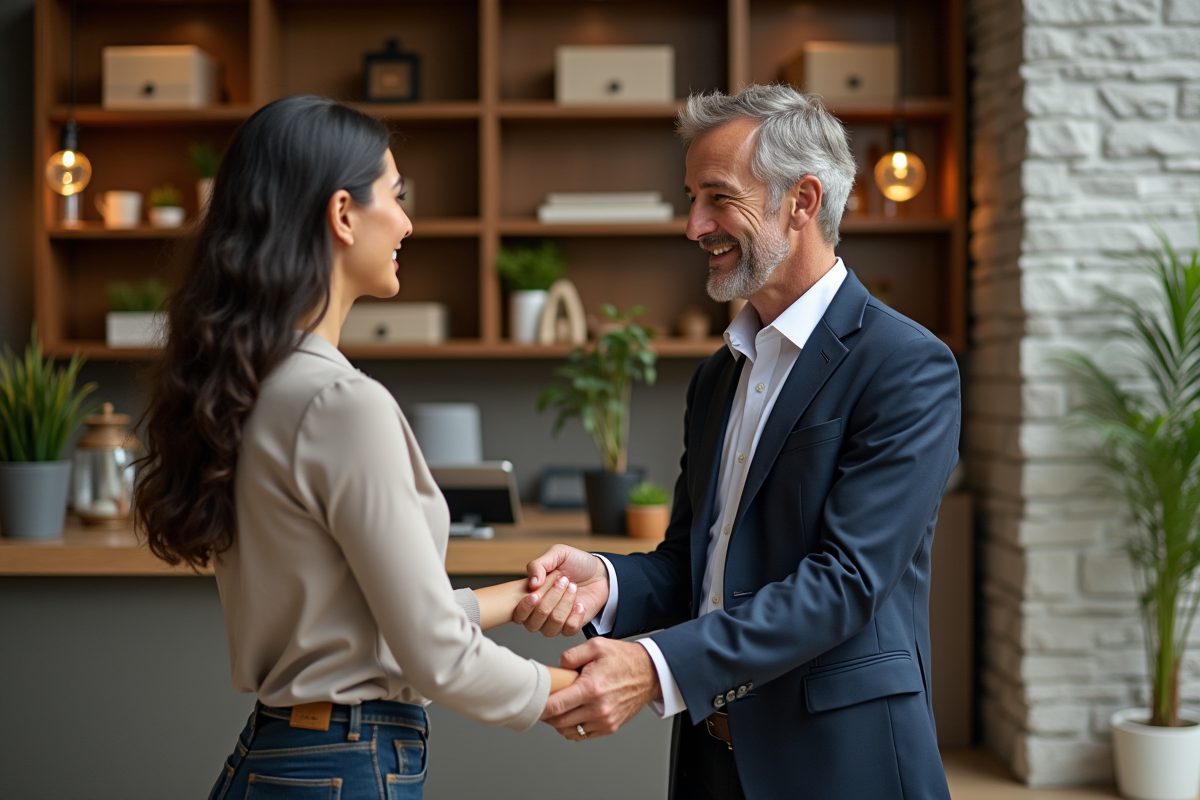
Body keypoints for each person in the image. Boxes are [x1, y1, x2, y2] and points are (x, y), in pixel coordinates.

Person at [513, 84, 960, 800]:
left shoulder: (906, 365)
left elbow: (845, 582)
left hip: (842, 765)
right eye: (691, 198)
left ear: (802, 201)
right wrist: (613, 580)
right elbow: (700, 563)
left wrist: (655, 666)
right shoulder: (718, 376)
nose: (694, 226)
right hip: (710, 761)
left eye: (717, 198)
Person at [133, 95, 581, 800]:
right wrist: (591, 684)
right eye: (395, 197)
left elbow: (368, 622)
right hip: (343, 764)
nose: (406, 222)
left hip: (285, 754)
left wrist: (518, 596)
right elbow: (435, 656)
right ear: (342, 214)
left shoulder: (255, 386)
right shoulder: (340, 405)